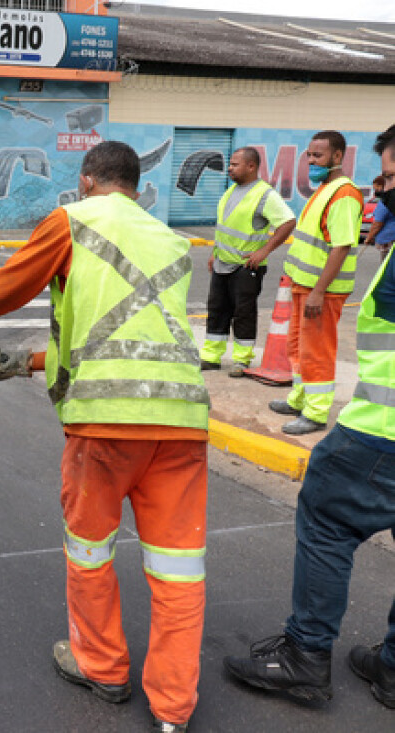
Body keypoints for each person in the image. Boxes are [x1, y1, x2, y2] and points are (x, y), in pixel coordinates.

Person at [0, 141, 209, 733]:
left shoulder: (74, 221)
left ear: (87, 182)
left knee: (90, 549)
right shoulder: (172, 241)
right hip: (183, 424)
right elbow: (113, 333)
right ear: (136, 187)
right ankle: (173, 709)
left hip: (106, 427)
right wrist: (30, 361)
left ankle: (102, 666)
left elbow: (13, 282)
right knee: (178, 569)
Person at [222, 123, 395, 712]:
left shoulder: (345, 198)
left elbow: (341, 247)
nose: (383, 186)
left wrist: (321, 286)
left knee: (326, 510)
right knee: (302, 355)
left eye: (393, 177)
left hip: (383, 431)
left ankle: (305, 657)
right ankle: (392, 668)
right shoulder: (334, 197)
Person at [269, 130, 363, 435]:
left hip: (321, 291)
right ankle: (300, 398)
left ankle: (316, 413)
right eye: (309, 155)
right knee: (297, 347)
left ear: (337, 157)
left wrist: (319, 292)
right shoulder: (325, 188)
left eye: (317, 156)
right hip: (303, 285)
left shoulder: (344, 195)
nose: (311, 161)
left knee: (317, 351)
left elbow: (341, 246)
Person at [199, 147, 295, 376]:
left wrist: (264, 251)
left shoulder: (264, 194)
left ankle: (242, 360)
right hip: (223, 262)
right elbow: (225, 227)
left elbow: (288, 222)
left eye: (234, 164)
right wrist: (215, 251)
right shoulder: (232, 191)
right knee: (217, 310)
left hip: (246, 267)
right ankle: (211, 357)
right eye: (230, 164)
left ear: (251, 166)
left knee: (243, 314)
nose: (229, 169)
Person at [365, 175, 395, 257]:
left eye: (377, 188)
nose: (376, 191)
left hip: (388, 241)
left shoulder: (386, 201)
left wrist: (369, 238)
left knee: (387, 267)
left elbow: (377, 223)